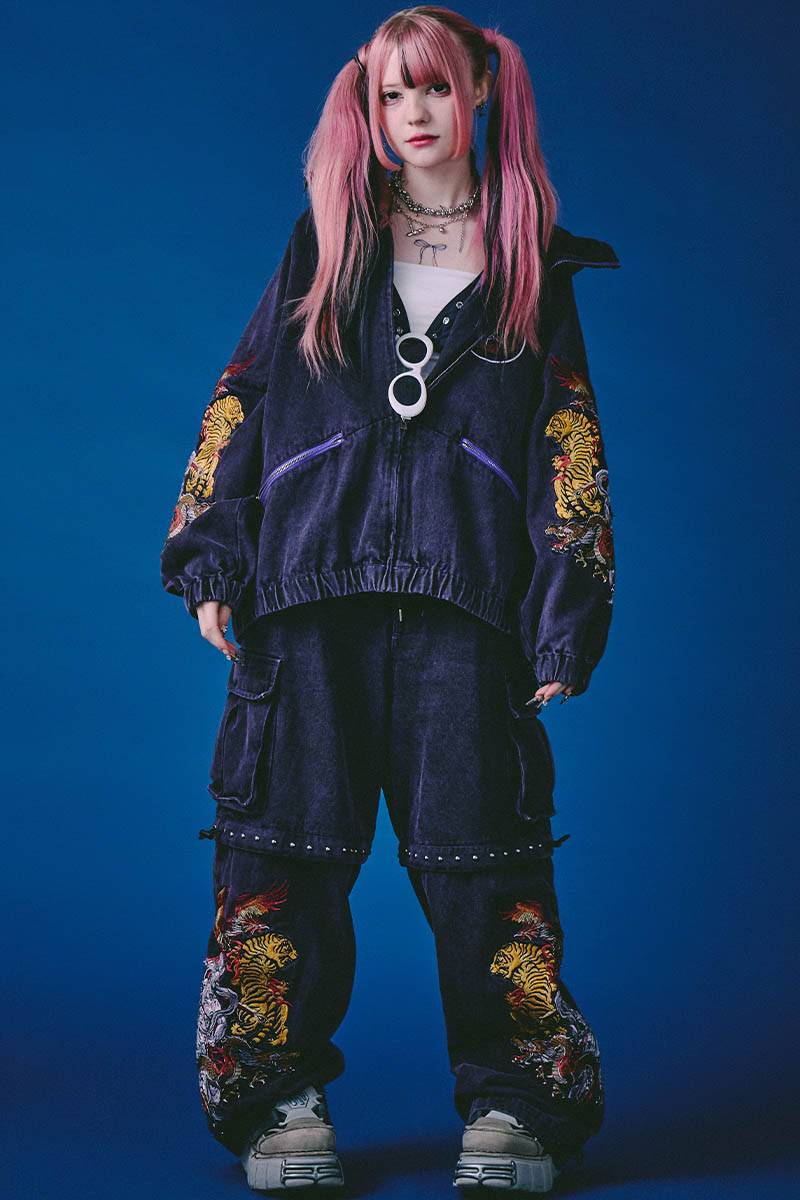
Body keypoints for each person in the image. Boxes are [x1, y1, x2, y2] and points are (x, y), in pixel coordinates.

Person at [160, 5, 620, 1194]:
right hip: (305, 597)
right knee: (279, 852)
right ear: (366, 109)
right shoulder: (326, 241)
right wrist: (210, 551)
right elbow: (243, 394)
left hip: (467, 612)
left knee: (485, 866)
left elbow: (565, 438)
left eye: (433, 88)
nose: (412, 114)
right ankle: (274, 1103)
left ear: (479, 90)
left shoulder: (530, 263)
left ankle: (517, 1109)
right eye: (388, 93)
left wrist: (566, 607)